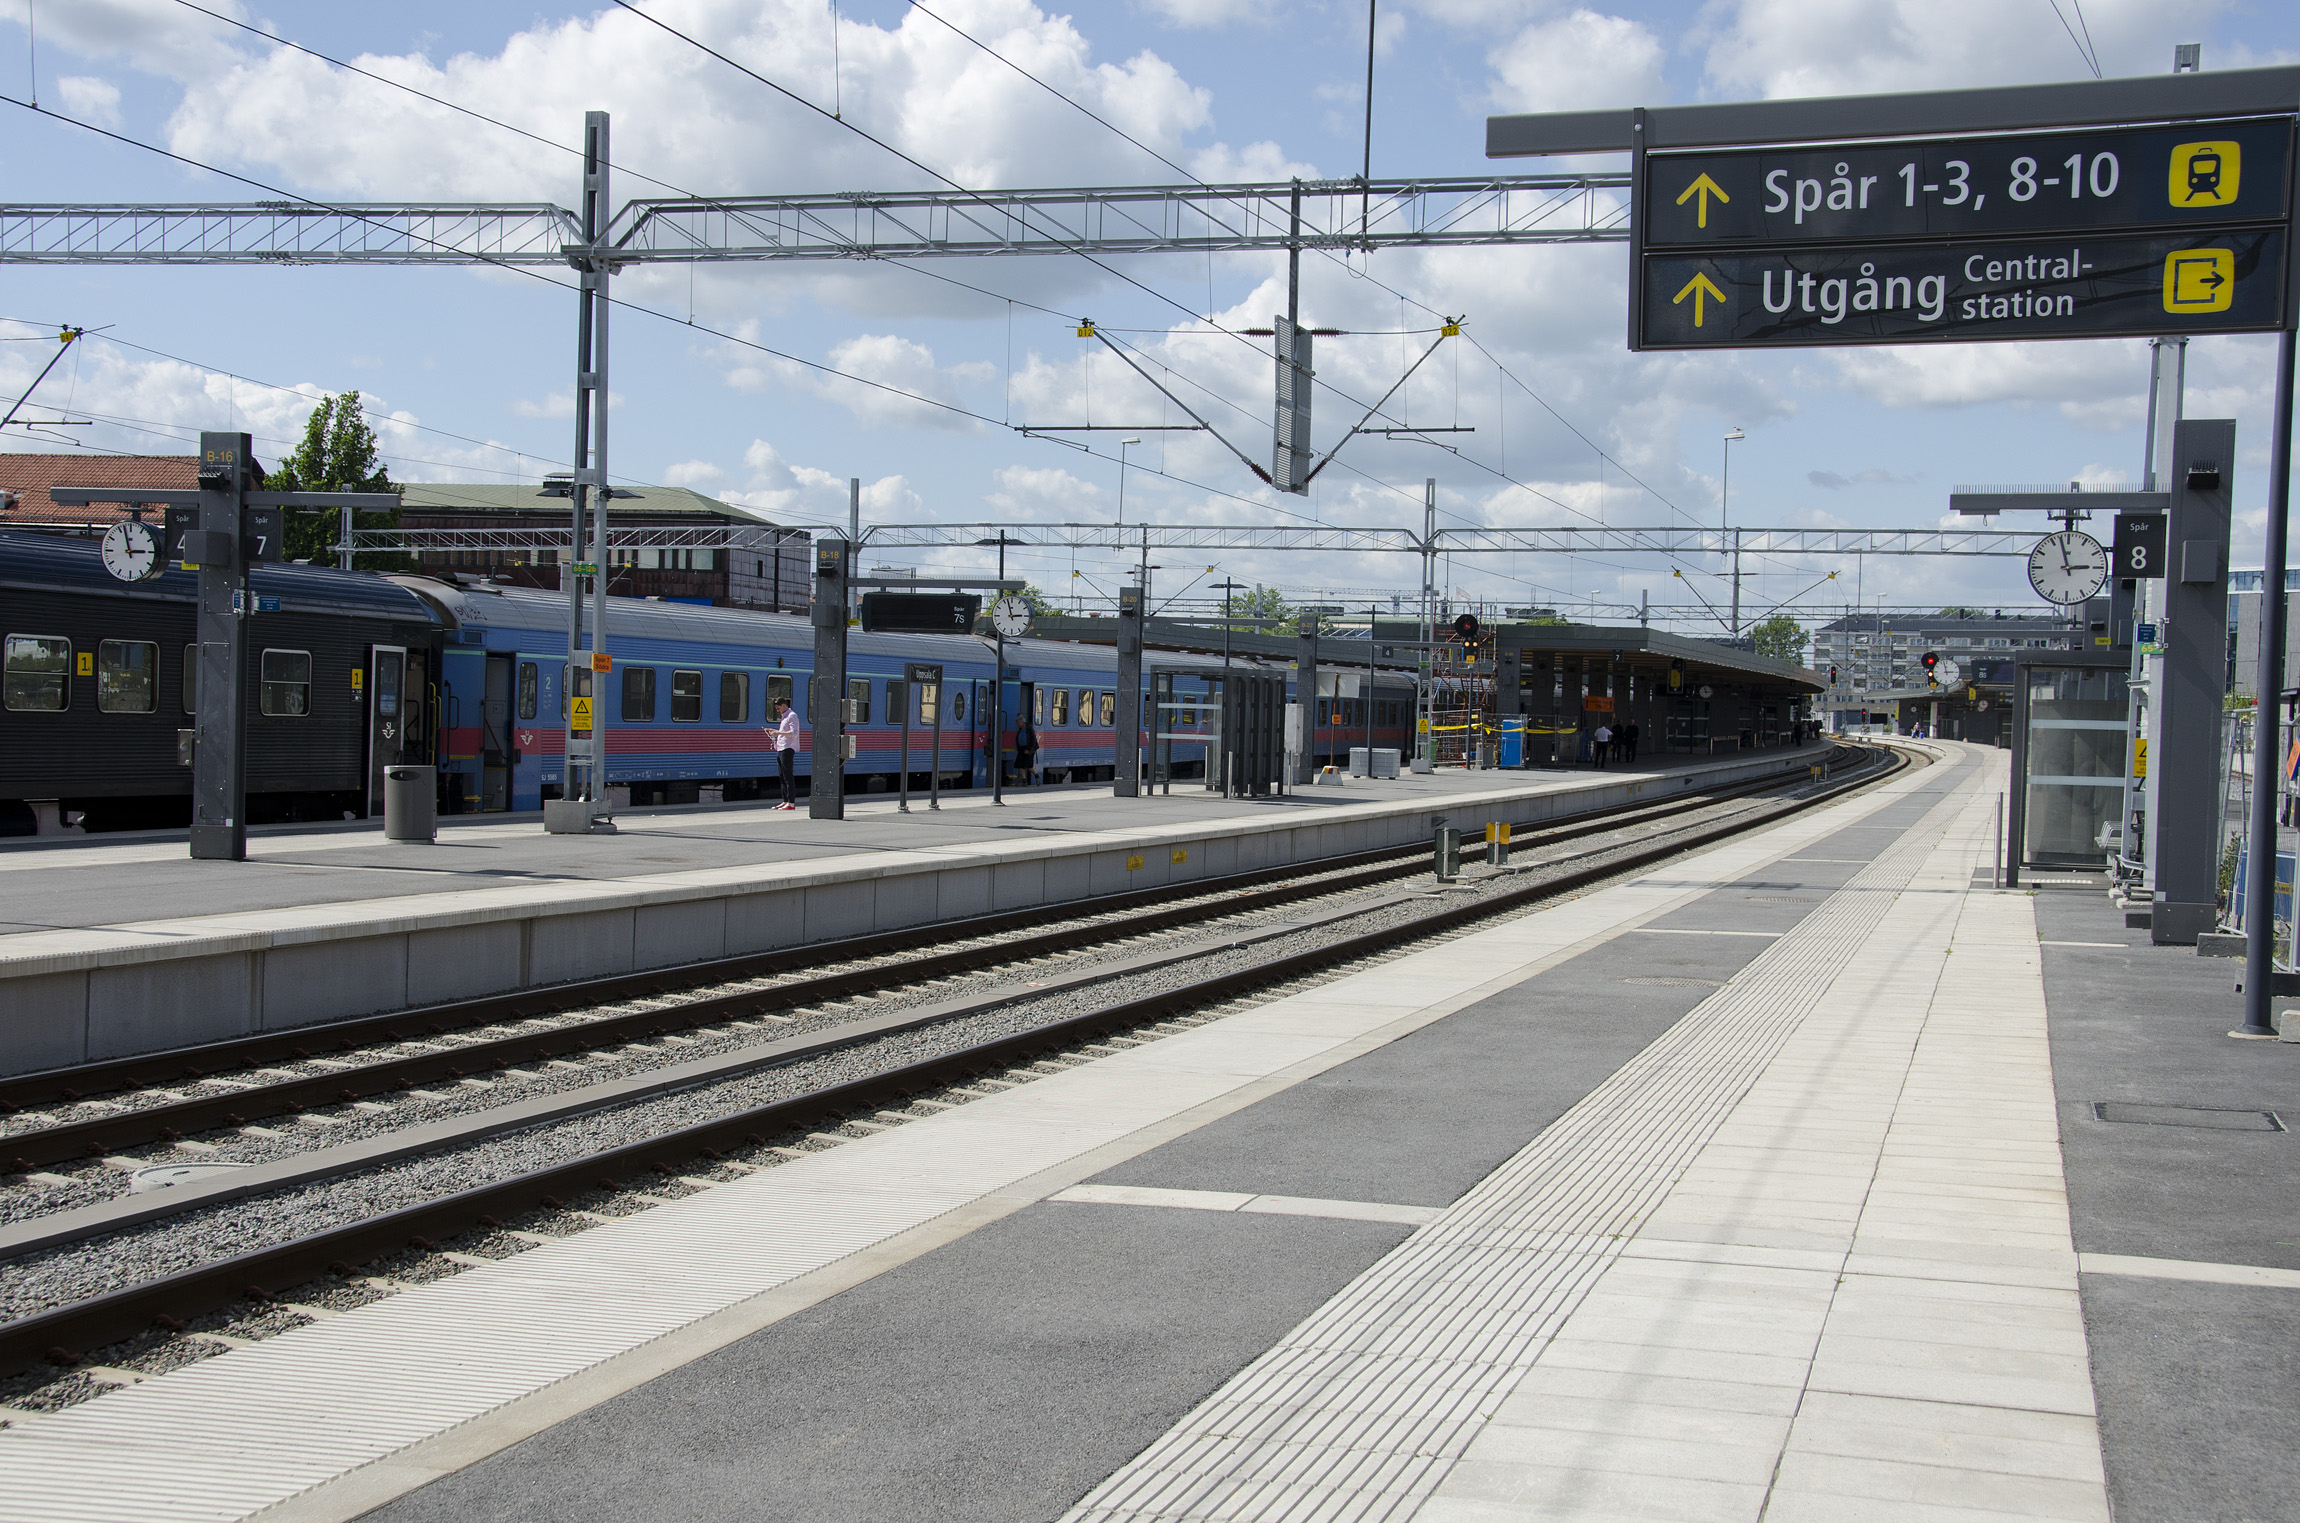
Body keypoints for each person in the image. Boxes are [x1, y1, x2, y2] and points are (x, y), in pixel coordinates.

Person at [767, 696, 800, 809]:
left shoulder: (792, 716)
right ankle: (785, 800)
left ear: (783, 705)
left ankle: (791, 803)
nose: (777, 710)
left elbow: (794, 733)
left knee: (788, 776)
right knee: (782, 776)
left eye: (778, 708)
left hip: (788, 748)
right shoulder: (784, 716)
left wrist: (778, 732)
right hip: (780, 748)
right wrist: (774, 732)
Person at [1015, 712, 1039, 787]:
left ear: (1022, 722)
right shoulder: (1020, 729)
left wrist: (1028, 749)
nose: (1017, 724)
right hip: (1022, 749)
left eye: (1018, 723)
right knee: (1019, 765)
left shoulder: (1029, 729)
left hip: (1030, 749)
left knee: (1029, 767)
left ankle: (1036, 775)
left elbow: (1033, 740)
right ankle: (1024, 781)